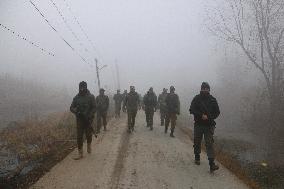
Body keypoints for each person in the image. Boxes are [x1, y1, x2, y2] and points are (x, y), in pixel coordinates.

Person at [189, 82, 220, 172]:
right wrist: (200, 115)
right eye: (204, 88)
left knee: (209, 144)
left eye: (207, 88)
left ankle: (211, 164)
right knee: (197, 141)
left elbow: (217, 112)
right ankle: (197, 157)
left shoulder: (213, 100)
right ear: (201, 89)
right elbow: (191, 109)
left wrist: (210, 117)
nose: (205, 90)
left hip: (209, 125)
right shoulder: (196, 98)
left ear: (209, 89)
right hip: (198, 124)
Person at [70, 81, 96, 160]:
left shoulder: (91, 97)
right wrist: (76, 112)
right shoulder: (76, 98)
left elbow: (94, 107)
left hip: (88, 119)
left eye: (83, 87)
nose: (82, 89)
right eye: (80, 87)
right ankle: (80, 153)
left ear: (86, 87)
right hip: (79, 120)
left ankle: (89, 145)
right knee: (79, 136)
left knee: (88, 134)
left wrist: (90, 115)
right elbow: (71, 107)